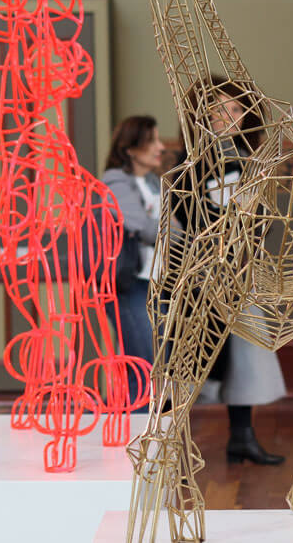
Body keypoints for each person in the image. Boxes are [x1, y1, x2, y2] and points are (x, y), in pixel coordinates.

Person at [179, 75, 288, 465]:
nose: (227, 117)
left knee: (246, 358)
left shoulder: (250, 160)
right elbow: (188, 219)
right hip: (202, 278)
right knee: (191, 361)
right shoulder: (190, 164)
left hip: (242, 275)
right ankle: (171, 444)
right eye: (217, 110)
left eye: (235, 108)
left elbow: (261, 221)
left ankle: (242, 435)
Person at [101, 115, 167, 410]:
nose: (160, 147)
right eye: (151, 140)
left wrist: (167, 230)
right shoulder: (115, 181)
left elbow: (172, 227)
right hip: (130, 285)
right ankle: (135, 445)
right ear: (130, 148)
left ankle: (135, 440)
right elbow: (140, 225)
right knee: (143, 368)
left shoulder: (152, 182)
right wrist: (167, 231)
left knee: (154, 369)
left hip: (157, 283)